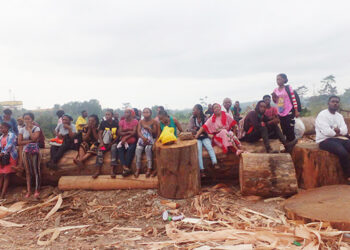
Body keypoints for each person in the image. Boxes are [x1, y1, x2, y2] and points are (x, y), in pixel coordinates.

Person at [316, 96, 350, 180]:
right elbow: (326, 132)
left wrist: (336, 131)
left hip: (339, 139)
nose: (335, 103)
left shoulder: (339, 116)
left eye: (337, 102)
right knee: (343, 153)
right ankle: (348, 176)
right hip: (324, 140)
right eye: (333, 101)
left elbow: (345, 130)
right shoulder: (322, 115)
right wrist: (338, 132)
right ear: (328, 103)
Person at [189, 104, 218, 177]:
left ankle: (215, 163)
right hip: (197, 137)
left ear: (199, 111)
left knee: (209, 147)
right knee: (198, 150)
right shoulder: (192, 118)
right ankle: (202, 170)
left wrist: (198, 130)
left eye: (194, 110)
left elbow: (207, 127)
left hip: (204, 136)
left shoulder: (205, 118)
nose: (193, 111)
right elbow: (190, 129)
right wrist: (200, 131)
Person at [18, 113, 41, 198]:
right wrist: (30, 141)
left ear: (32, 119)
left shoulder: (36, 128)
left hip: (35, 151)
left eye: (28, 119)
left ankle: (37, 190)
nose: (27, 120)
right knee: (28, 171)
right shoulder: (21, 129)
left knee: (36, 170)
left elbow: (35, 139)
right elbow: (19, 142)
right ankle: (29, 190)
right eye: (25, 119)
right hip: (25, 151)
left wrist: (30, 130)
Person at [272, 73, 299, 143]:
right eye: (277, 79)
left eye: (279, 79)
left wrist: (296, 110)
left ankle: (293, 142)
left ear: (284, 80)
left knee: (290, 127)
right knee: (284, 128)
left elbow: (293, 99)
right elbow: (276, 102)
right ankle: (288, 144)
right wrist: (273, 97)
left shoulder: (288, 88)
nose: (278, 81)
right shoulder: (275, 90)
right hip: (281, 111)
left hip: (289, 109)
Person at [135, 108, 160, 178]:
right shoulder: (140, 121)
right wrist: (143, 138)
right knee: (138, 150)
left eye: (147, 112)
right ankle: (138, 169)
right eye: (144, 112)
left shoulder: (154, 122)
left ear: (150, 113)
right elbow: (138, 131)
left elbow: (155, 133)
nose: (145, 114)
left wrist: (149, 128)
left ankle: (149, 169)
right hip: (142, 139)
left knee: (148, 149)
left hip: (151, 140)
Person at [94, 109, 119, 178]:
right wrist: (101, 142)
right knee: (100, 151)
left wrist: (112, 143)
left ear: (112, 115)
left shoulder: (116, 123)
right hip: (105, 143)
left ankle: (112, 170)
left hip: (113, 142)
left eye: (109, 114)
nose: (107, 116)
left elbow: (118, 135)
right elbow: (100, 133)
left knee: (114, 150)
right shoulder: (103, 123)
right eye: (106, 115)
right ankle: (97, 170)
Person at [116, 109, 138, 177]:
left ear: (131, 114)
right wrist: (129, 131)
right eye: (125, 112)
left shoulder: (135, 121)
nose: (125, 114)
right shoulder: (121, 122)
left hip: (132, 141)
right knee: (120, 149)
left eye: (127, 112)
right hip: (123, 141)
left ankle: (125, 168)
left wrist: (125, 136)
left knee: (130, 150)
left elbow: (134, 132)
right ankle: (125, 167)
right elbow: (119, 132)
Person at [0, 122, 18, 198]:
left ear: (7, 128)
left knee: (6, 175)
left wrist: (2, 152)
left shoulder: (12, 135)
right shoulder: (1, 137)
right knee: (1, 175)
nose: (1, 129)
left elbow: (9, 145)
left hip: (10, 156)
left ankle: (2, 194)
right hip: (3, 157)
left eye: (2, 128)